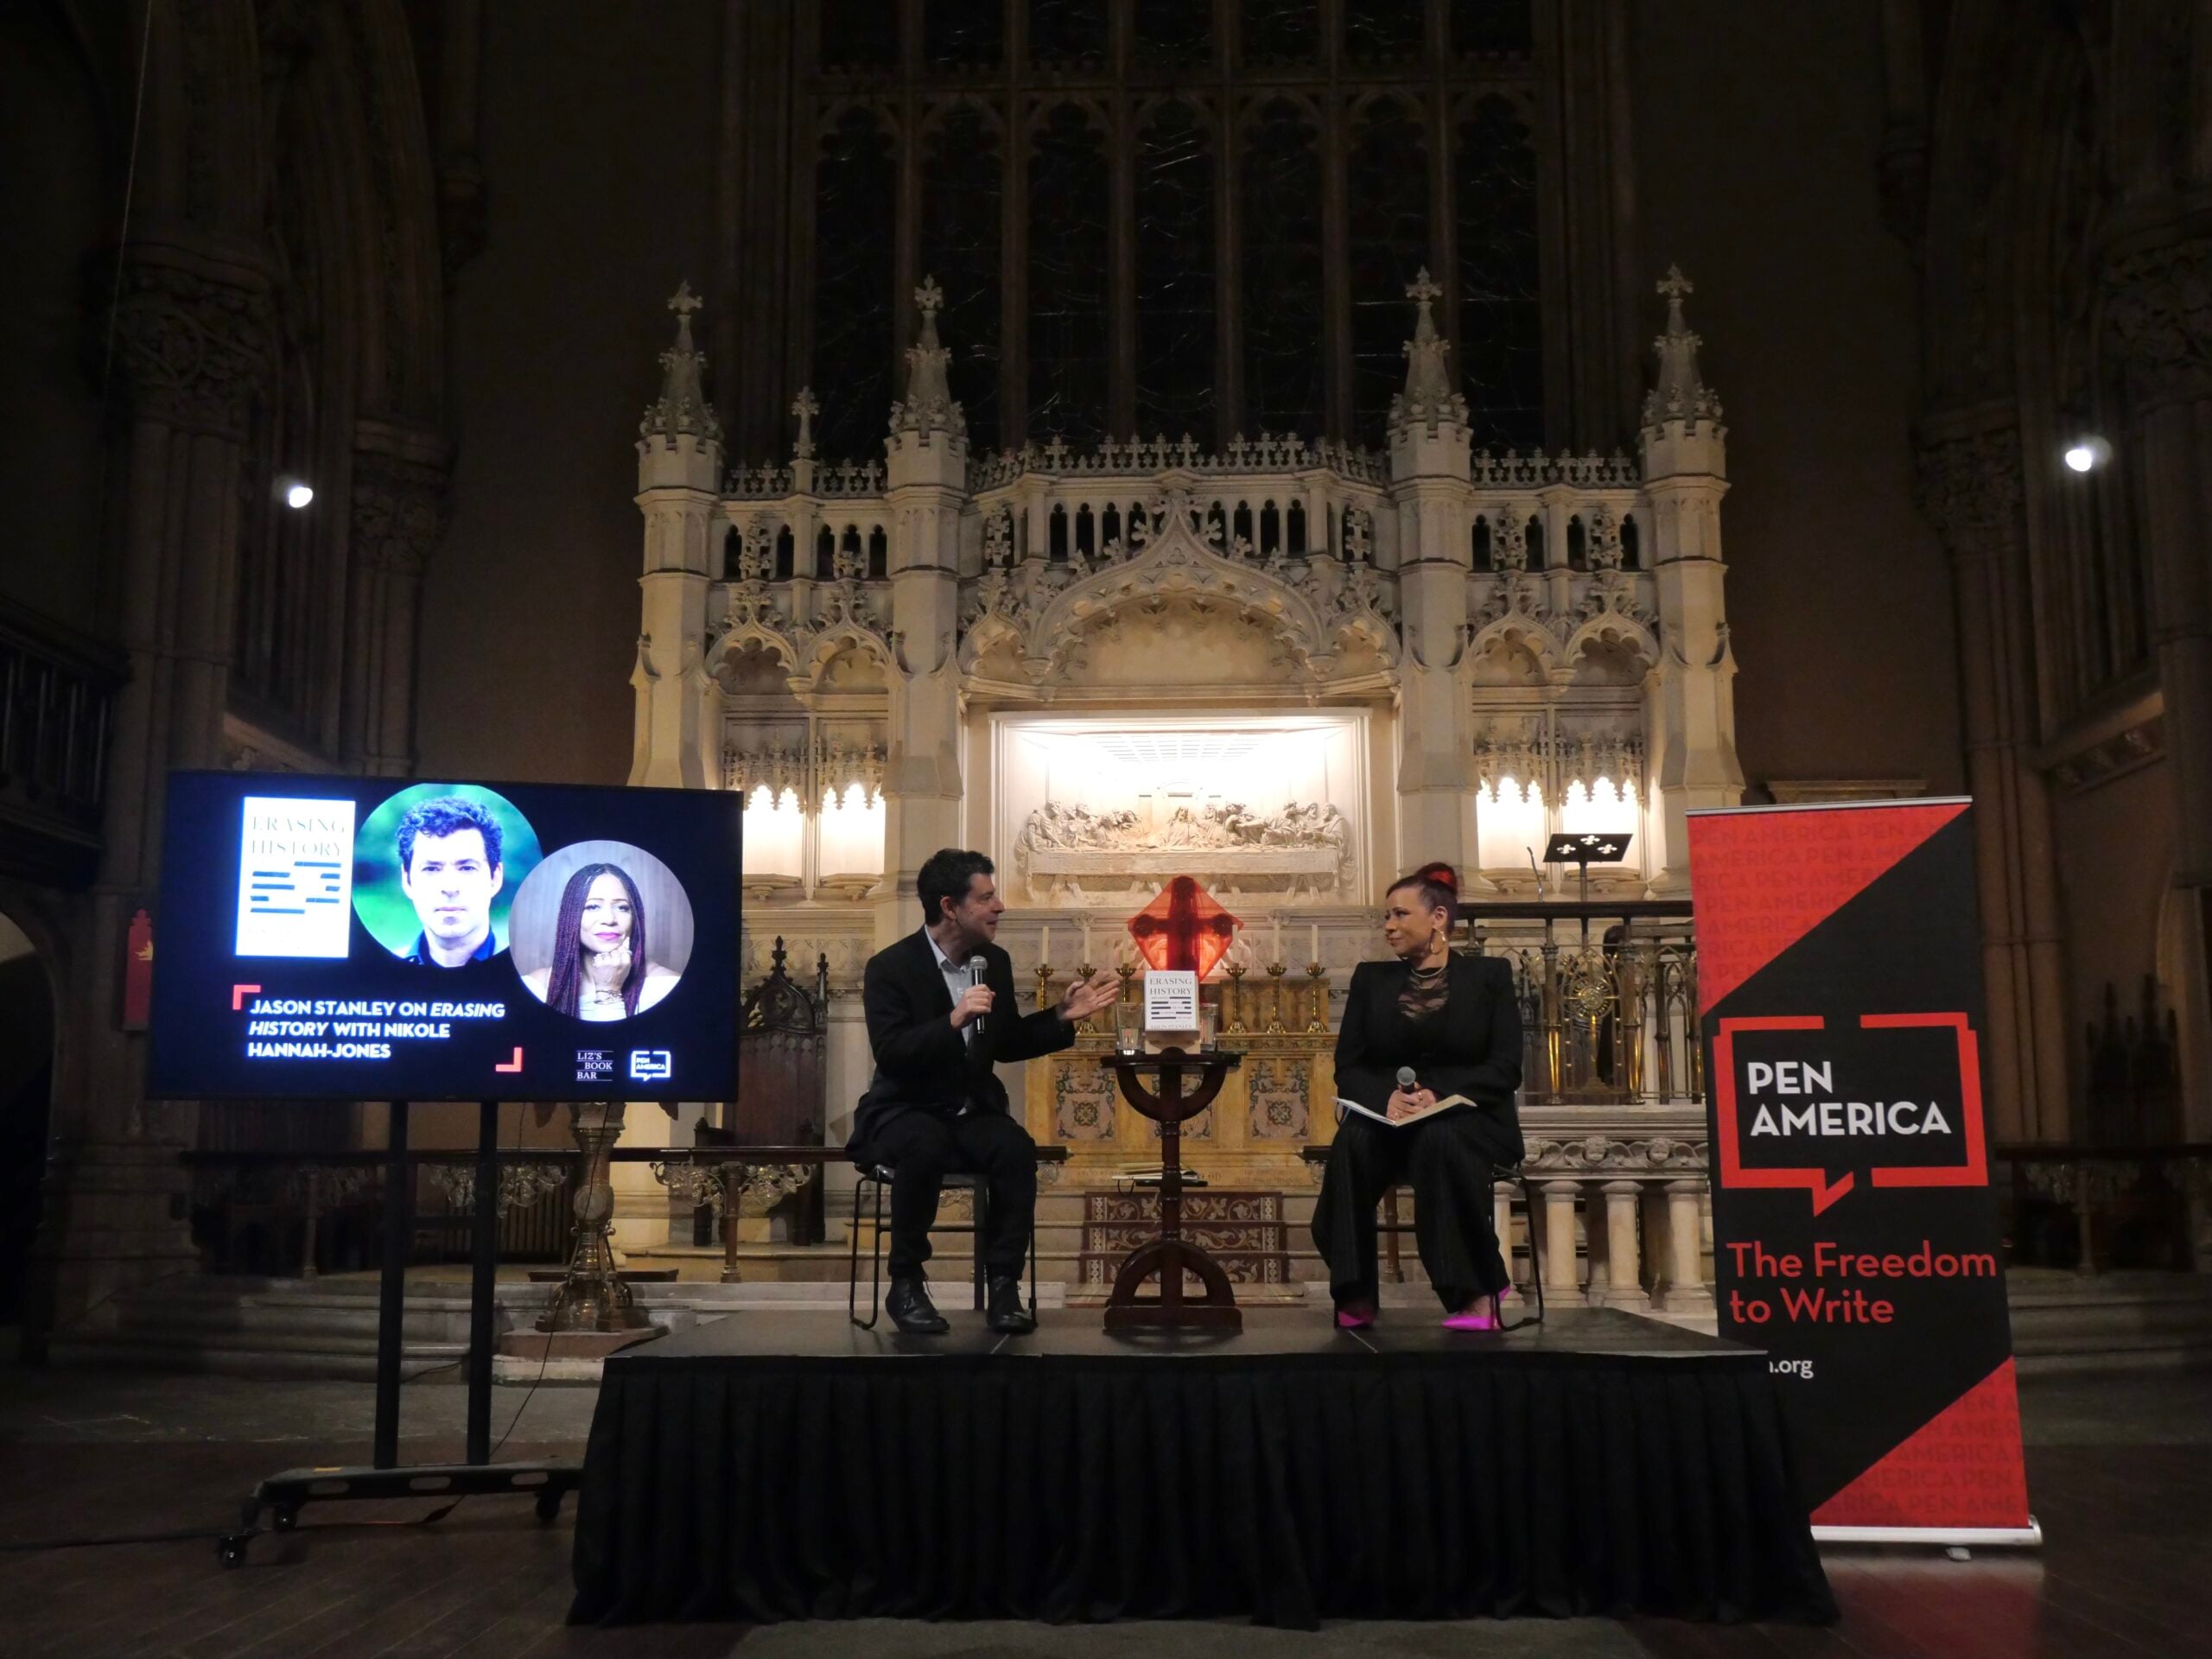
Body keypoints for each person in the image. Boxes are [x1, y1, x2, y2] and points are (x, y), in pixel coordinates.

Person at [851, 848, 1119, 1335]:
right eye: (987, 897)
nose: (999, 907)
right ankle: (906, 1282)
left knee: (1015, 1148)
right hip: (904, 1109)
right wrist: (952, 1020)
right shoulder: (890, 967)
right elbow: (892, 1054)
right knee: (924, 1144)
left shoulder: (992, 961)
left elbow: (1008, 1042)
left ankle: (1003, 1286)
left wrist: (1061, 1016)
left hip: (968, 1110)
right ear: (950, 907)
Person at [1311, 862, 1524, 1331]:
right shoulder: (1372, 980)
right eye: (1386, 916)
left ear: (1438, 917)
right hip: (1392, 1119)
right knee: (1354, 1141)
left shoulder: (1489, 976)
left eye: (1400, 914)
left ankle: (1477, 1290)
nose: (1389, 925)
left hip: (1469, 1118)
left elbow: (1505, 1066)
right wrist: (1386, 1098)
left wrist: (1438, 1094)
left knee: (1438, 1140)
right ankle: (1354, 1291)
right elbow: (1349, 1066)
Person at [521, 862, 680, 1020]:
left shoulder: (666, 987)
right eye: (593, 907)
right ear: (570, 916)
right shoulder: (537, 988)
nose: (609, 919)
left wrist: (609, 991)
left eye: (622, 908)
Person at [394, 795, 506, 967]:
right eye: (431, 869)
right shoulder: (376, 976)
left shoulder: (534, 978)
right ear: (407, 880)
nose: (450, 887)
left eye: (467, 868)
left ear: (495, 879)